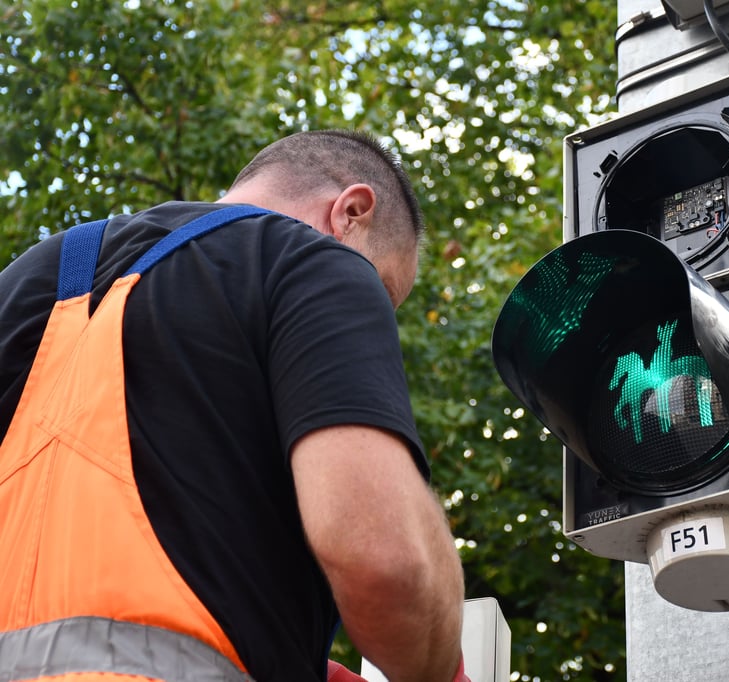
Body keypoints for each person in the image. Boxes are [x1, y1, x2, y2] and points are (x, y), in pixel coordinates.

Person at [0, 130, 467, 681]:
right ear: (350, 213)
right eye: (384, 292)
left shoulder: (25, 279)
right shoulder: (311, 259)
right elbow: (384, 565)